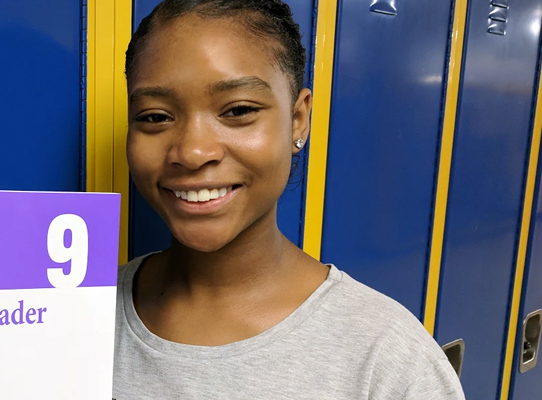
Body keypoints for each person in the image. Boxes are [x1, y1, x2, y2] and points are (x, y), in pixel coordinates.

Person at [112, 0, 466, 398]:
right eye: (155, 116)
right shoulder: (73, 314)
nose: (193, 152)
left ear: (298, 119)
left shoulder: (387, 361)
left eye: (238, 110)